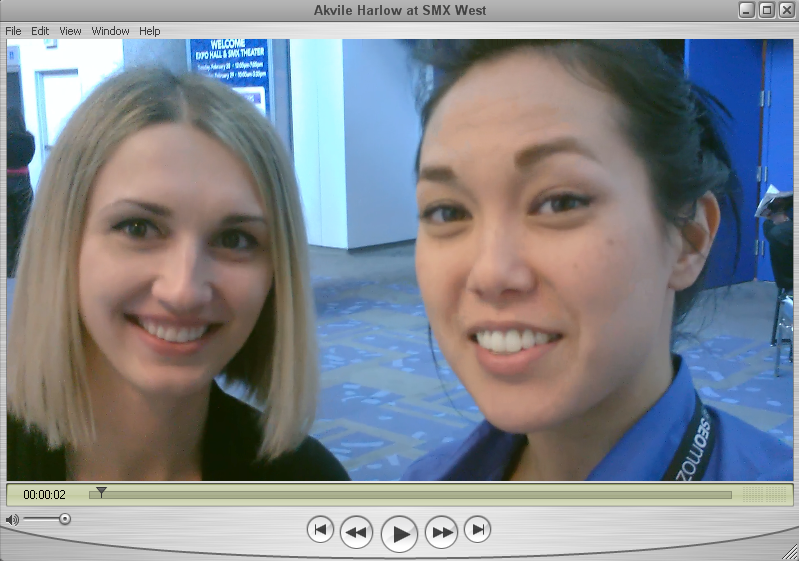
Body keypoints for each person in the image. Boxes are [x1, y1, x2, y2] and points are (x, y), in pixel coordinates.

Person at [403, 40, 792, 481]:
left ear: (688, 237)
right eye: (447, 212)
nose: (490, 273)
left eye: (561, 202)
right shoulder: (427, 486)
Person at [7, 68, 350, 481]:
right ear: (63, 245)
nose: (184, 291)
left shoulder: (307, 481)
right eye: (138, 228)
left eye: (235, 239)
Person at [7, 106, 35, 278]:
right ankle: (23, 265)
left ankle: (9, 268)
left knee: (8, 227)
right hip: (22, 183)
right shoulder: (28, 139)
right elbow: (29, 158)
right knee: (24, 226)